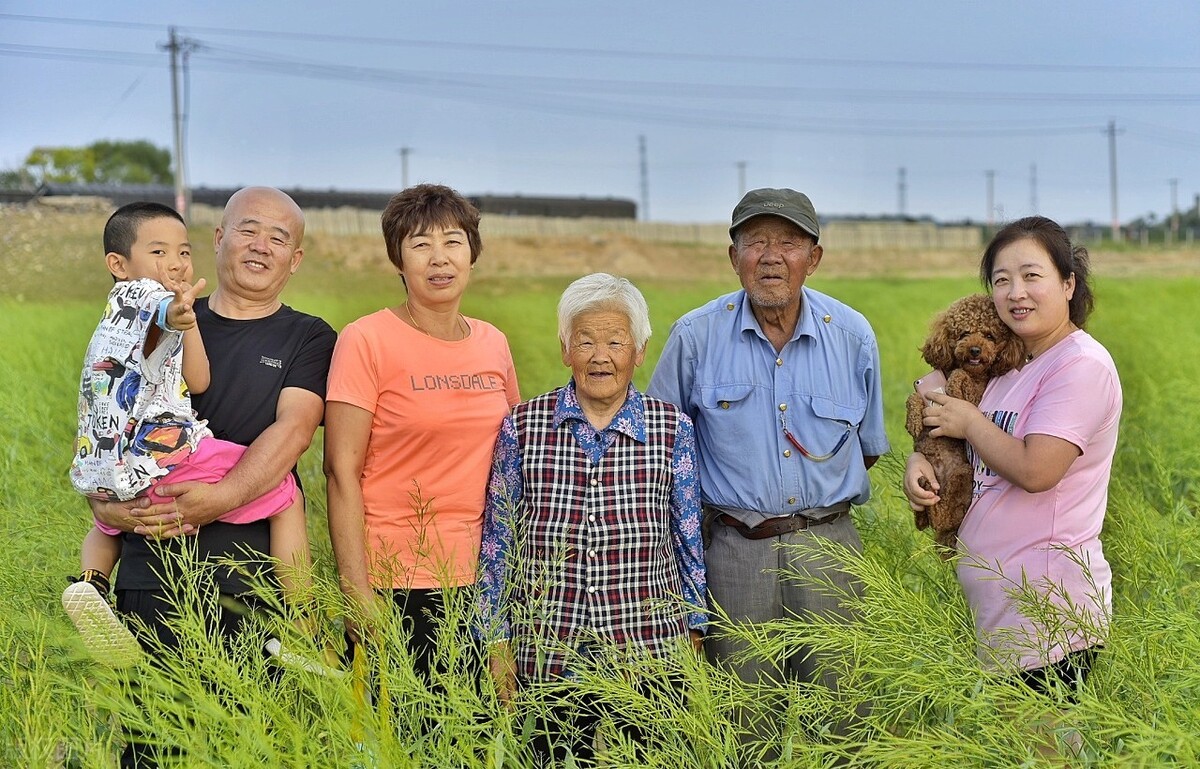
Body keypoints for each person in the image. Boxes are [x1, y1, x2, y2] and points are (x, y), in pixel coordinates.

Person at [89, 187, 336, 767]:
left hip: (251, 582)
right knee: (153, 743)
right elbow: (112, 412)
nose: (261, 246)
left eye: (279, 238)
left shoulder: (309, 337)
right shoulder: (160, 318)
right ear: (219, 238)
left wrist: (220, 497)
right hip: (152, 572)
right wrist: (106, 503)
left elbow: (294, 431)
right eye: (248, 230)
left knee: (246, 747)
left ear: (295, 259)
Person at [647, 188, 888, 737]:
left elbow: (867, 448)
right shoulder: (695, 336)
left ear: (815, 257)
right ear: (733, 258)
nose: (771, 256)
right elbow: (660, 451)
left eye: (789, 243)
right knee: (743, 721)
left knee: (844, 716)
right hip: (732, 552)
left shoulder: (851, 337)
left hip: (831, 549)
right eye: (755, 242)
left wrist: (809, 505)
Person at [63, 202, 308, 667]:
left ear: (295, 258)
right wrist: (181, 316)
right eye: (159, 252)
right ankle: (302, 622)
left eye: (181, 252)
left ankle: (90, 582)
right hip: (161, 465)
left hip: (108, 458)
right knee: (286, 492)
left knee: (106, 518)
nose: (175, 264)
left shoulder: (111, 316)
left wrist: (184, 321)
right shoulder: (155, 301)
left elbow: (194, 381)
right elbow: (197, 379)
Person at [477, 272, 706, 764]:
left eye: (615, 341)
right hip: (548, 645)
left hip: (649, 646)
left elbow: (689, 538)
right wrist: (496, 638)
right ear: (565, 350)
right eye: (584, 341)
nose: (600, 355)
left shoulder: (672, 429)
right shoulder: (523, 426)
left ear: (639, 351)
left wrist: (694, 628)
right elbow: (498, 542)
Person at [904, 216, 1120, 700]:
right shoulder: (1011, 364)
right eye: (1002, 280)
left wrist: (971, 424)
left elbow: (1036, 470)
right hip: (1001, 608)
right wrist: (919, 462)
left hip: (1050, 612)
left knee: (1044, 750)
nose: (1015, 292)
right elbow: (939, 395)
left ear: (1068, 284)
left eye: (1031, 276)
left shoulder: (1079, 367)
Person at [324, 184, 520, 682]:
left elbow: (515, 461)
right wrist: (356, 590)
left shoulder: (493, 343)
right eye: (420, 244)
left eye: (453, 242)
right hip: (397, 578)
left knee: (482, 739)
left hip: (485, 575)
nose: (440, 259)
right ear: (399, 260)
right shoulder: (365, 340)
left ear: (472, 254)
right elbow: (340, 471)